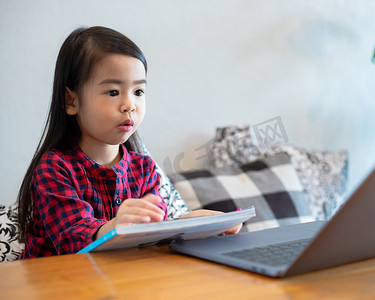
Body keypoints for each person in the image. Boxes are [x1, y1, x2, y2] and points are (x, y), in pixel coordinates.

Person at [16, 26, 240, 259]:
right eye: (113, 92)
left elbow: (153, 235)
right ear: (71, 101)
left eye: (138, 91)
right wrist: (115, 228)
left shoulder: (144, 169)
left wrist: (189, 225)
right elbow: (71, 239)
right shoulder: (54, 168)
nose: (129, 105)